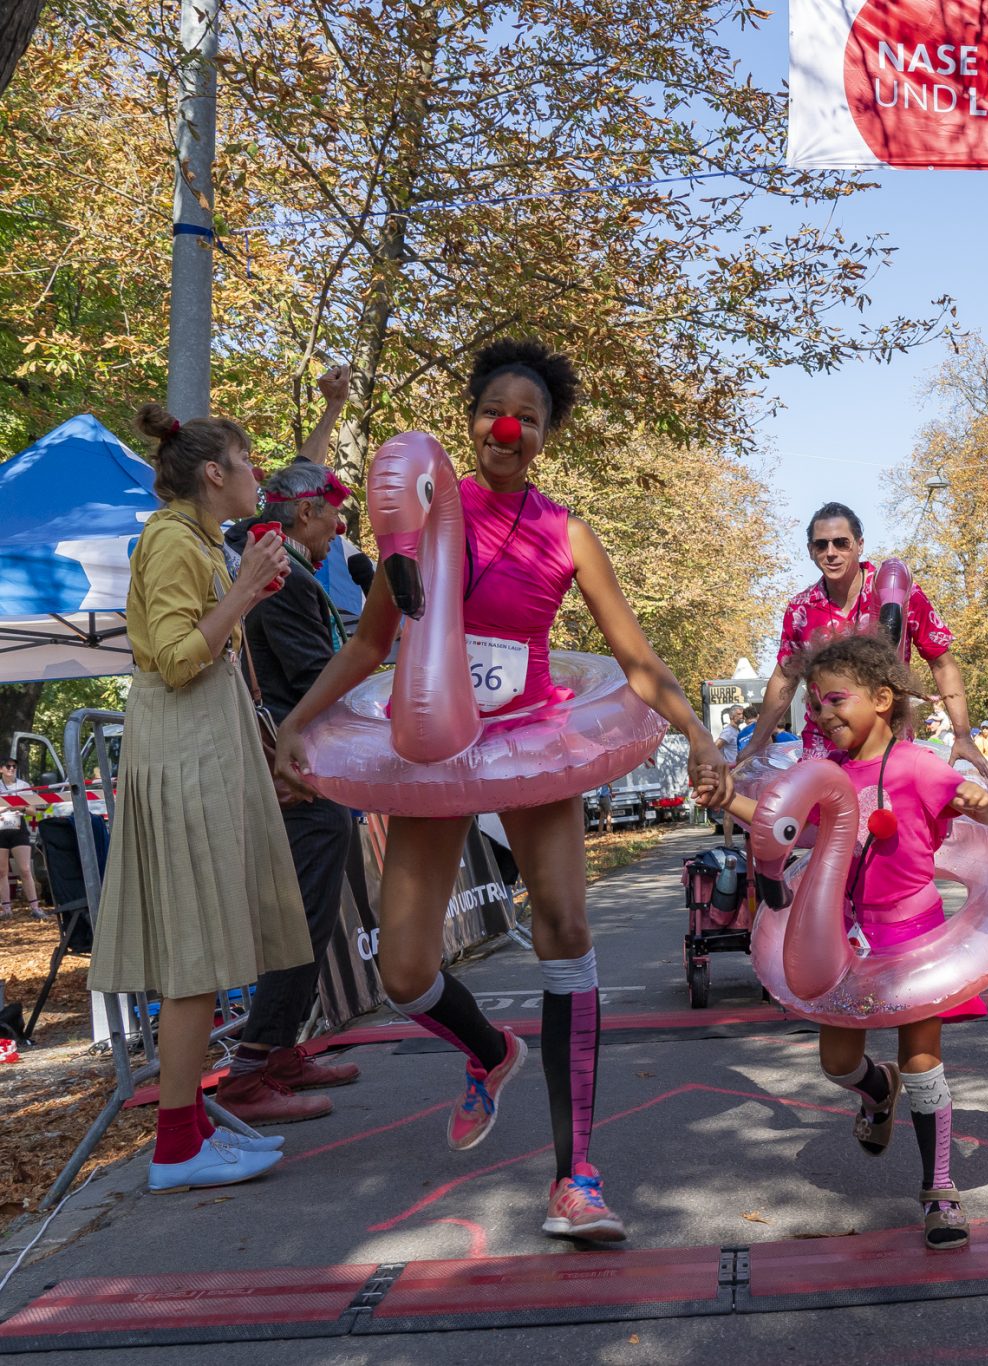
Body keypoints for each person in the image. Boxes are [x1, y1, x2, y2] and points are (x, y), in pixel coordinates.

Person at [275, 340, 728, 1241]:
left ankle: (578, 1178)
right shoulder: (424, 517)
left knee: (564, 928)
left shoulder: (567, 532)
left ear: (547, 438)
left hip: (528, 742)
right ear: (472, 418)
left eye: (528, 416)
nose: (507, 428)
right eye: (492, 410)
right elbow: (367, 648)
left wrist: (697, 730)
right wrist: (296, 724)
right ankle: (490, 1050)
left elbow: (634, 659)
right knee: (404, 972)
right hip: (433, 748)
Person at [700, 634, 988, 1248]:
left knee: (924, 1063)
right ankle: (875, 1089)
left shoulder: (919, 765)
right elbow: (782, 824)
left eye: (835, 699)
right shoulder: (824, 775)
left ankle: (939, 1190)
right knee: (837, 1063)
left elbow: (986, 812)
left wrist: (983, 800)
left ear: (883, 699)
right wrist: (726, 797)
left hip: (914, 932)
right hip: (844, 937)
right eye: (814, 705)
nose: (823, 714)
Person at [90, 403, 308, 1193]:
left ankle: (184, 1135)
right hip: (183, 758)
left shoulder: (197, 542)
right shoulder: (173, 543)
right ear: (214, 474)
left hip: (204, 754)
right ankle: (176, 1148)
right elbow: (178, 660)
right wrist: (246, 591)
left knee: (204, 957)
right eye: (249, 463)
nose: (259, 477)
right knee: (192, 959)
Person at [216, 373, 370, 1125]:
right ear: (306, 515)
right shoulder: (277, 569)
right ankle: (251, 1066)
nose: (341, 531)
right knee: (300, 912)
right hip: (292, 767)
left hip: (300, 759)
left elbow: (294, 479)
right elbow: (312, 677)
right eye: (334, 517)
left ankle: (279, 1051)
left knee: (309, 907)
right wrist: (380, 673)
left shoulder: (287, 556)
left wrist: (335, 409)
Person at [737, 504, 987, 776]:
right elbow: (785, 678)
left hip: (887, 742)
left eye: (841, 543)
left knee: (890, 818)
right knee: (820, 818)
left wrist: (962, 734)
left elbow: (942, 664)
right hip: (824, 747)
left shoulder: (900, 592)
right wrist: (755, 743)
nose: (831, 553)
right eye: (821, 545)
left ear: (859, 545)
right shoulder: (801, 608)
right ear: (811, 551)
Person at [0, 758, 47, 919]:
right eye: (8, 766)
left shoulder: (23, 786)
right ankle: (6, 910)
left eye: (14, 766)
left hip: (19, 829)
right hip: (1, 830)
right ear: (1, 769)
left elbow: (35, 812)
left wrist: (20, 807)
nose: (12, 768)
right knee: (2, 871)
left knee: (25, 869)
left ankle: (35, 908)